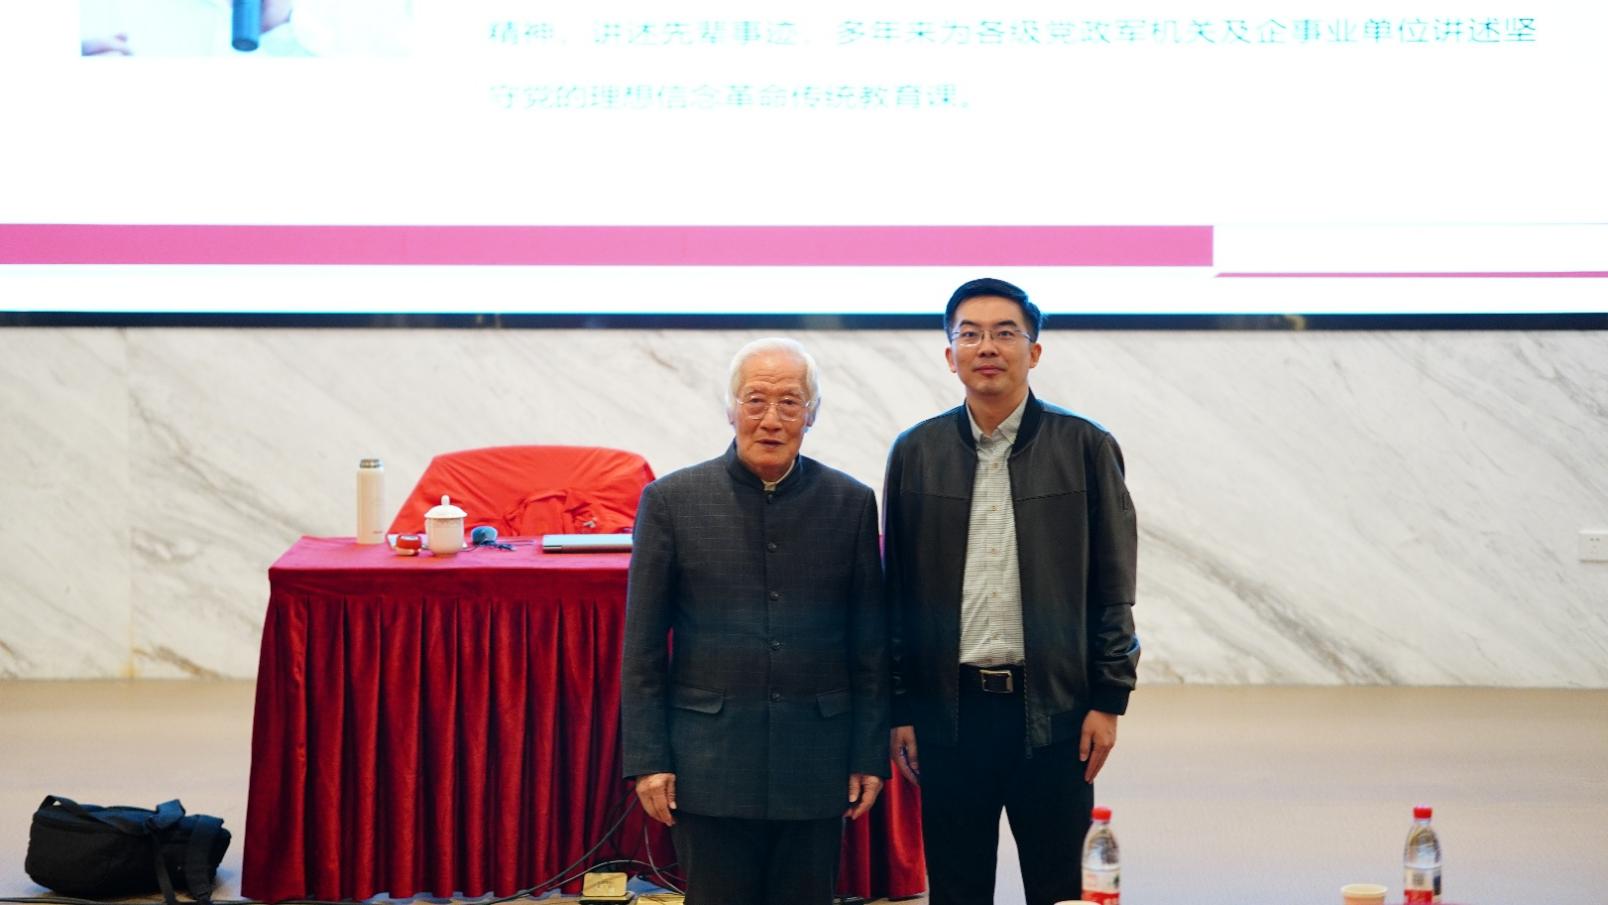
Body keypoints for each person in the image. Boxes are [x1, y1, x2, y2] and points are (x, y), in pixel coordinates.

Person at [882, 278, 1140, 905]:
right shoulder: (916, 452)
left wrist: (1108, 698)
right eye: (970, 335)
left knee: (1060, 889)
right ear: (950, 355)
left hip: (1055, 712)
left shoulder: (1085, 447)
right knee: (958, 888)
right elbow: (897, 596)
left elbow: (1115, 583)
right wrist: (901, 706)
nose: (987, 347)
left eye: (1005, 333)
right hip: (950, 716)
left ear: (1034, 351)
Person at [621, 337, 889, 905]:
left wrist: (868, 753)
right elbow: (642, 648)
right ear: (730, 409)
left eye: (790, 402)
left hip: (816, 760)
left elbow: (869, 645)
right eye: (756, 400)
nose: (771, 419)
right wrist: (648, 760)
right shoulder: (671, 501)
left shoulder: (850, 503)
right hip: (708, 761)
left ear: (812, 414)